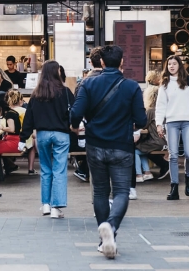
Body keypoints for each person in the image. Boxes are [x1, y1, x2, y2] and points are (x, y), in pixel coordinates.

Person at [70, 45, 146, 260]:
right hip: (122, 145)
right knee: (121, 192)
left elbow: (75, 113)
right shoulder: (131, 87)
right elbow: (141, 120)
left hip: (95, 145)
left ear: (101, 63)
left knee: (100, 192)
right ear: (122, 62)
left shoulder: (88, 83)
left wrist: (76, 126)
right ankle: (111, 227)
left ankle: (104, 239)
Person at [20, 60, 73, 218]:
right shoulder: (65, 92)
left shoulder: (37, 93)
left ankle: (45, 205)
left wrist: (23, 138)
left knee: (45, 169)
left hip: (42, 135)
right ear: (57, 72)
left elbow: (29, 117)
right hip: (61, 135)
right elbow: (74, 112)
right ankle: (56, 207)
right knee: (59, 170)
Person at [155, 54, 189, 200]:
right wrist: (158, 123)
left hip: (188, 120)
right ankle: (174, 186)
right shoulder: (164, 83)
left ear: (179, 65)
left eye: (174, 63)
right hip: (171, 122)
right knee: (173, 155)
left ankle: (188, 177)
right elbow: (160, 105)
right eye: (169, 64)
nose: (172, 66)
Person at [72, 47, 104, 183]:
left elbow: (77, 109)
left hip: (89, 127)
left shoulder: (83, 83)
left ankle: (85, 172)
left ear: (90, 62)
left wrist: (75, 125)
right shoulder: (115, 81)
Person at [7, 90, 36, 174]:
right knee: (31, 148)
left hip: (14, 138)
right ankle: (31, 169)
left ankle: (10, 165)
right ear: (20, 100)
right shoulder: (25, 110)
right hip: (27, 137)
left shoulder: (10, 112)